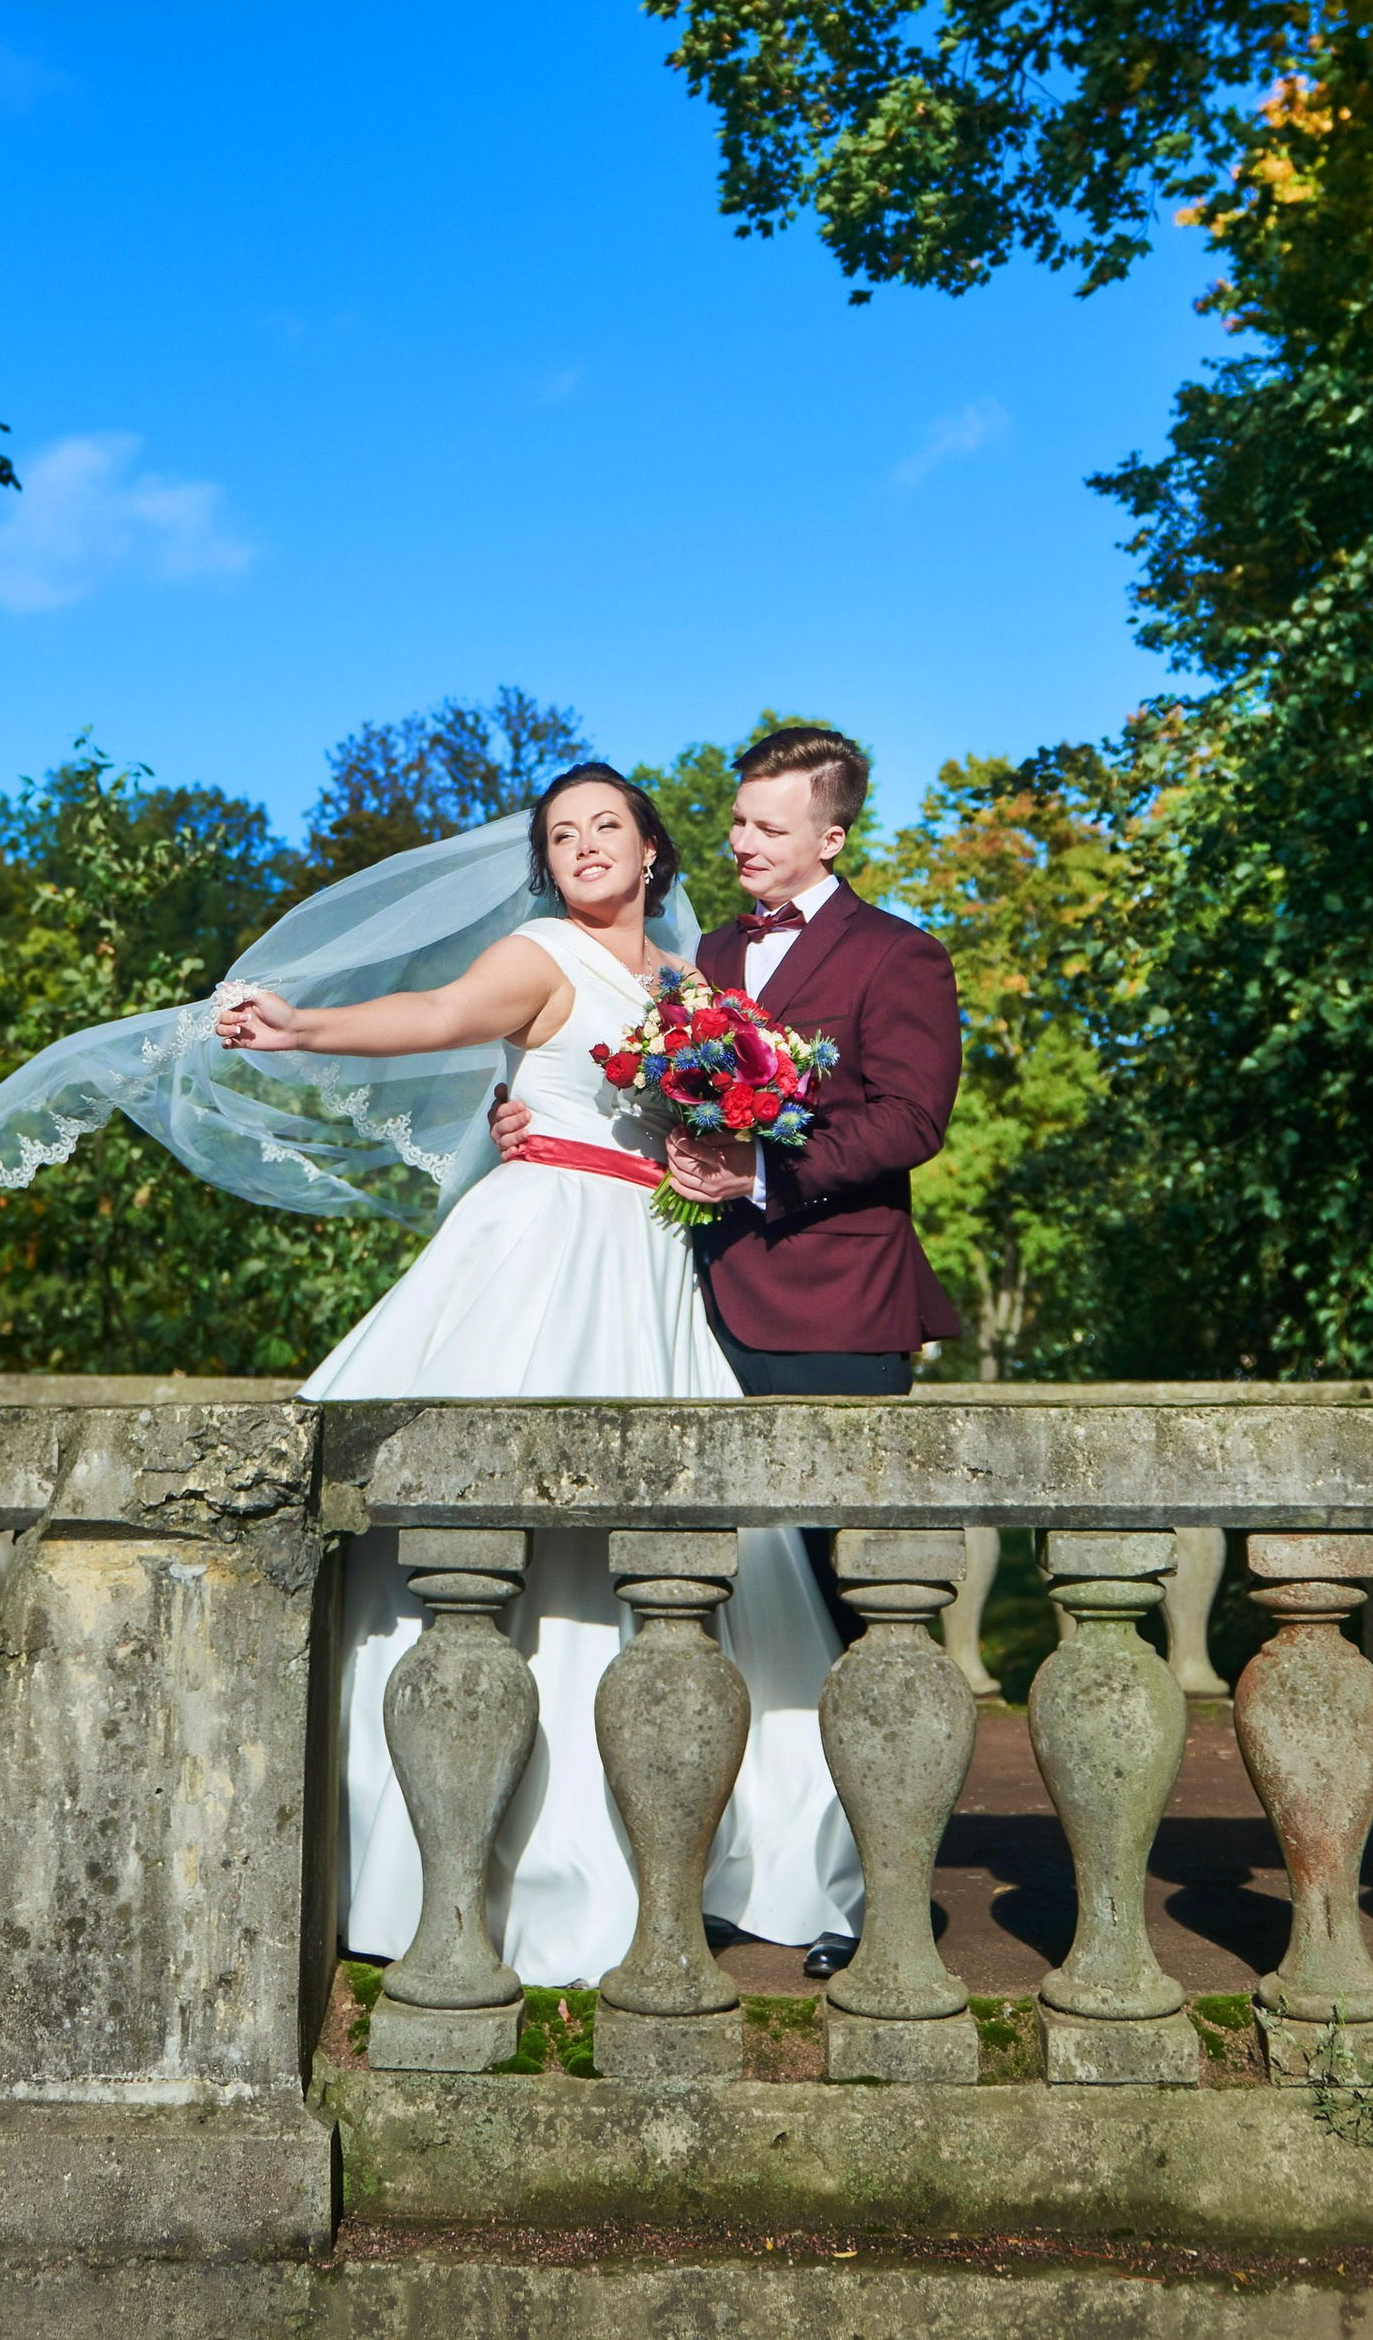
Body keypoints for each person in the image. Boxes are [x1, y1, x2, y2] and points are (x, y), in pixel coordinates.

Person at [214, 761, 860, 1988]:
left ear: (654, 849)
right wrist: (303, 1026)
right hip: (546, 1242)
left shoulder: (693, 986)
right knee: (505, 1531)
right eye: (562, 834)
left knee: (677, 1544)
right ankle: (485, 1861)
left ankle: (692, 1847)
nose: (584, 847)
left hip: (653, 1263)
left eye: (606, 825)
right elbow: (437, 1015)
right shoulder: (539, 951)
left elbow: (717, 1118)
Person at [490, 723, 963, 1975]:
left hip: (838, 1320)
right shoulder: (697, 957)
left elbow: (912, 1117)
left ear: (831, 835)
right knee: (713, 1615)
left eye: (765, 826)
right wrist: (525, 1111)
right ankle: (728, 1859)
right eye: (738, 821)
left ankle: (875, 1900)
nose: (741, 843)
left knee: (858, 1624)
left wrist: (762, 1165)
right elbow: (632, 1094)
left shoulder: (899, 955)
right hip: (683, 1305)